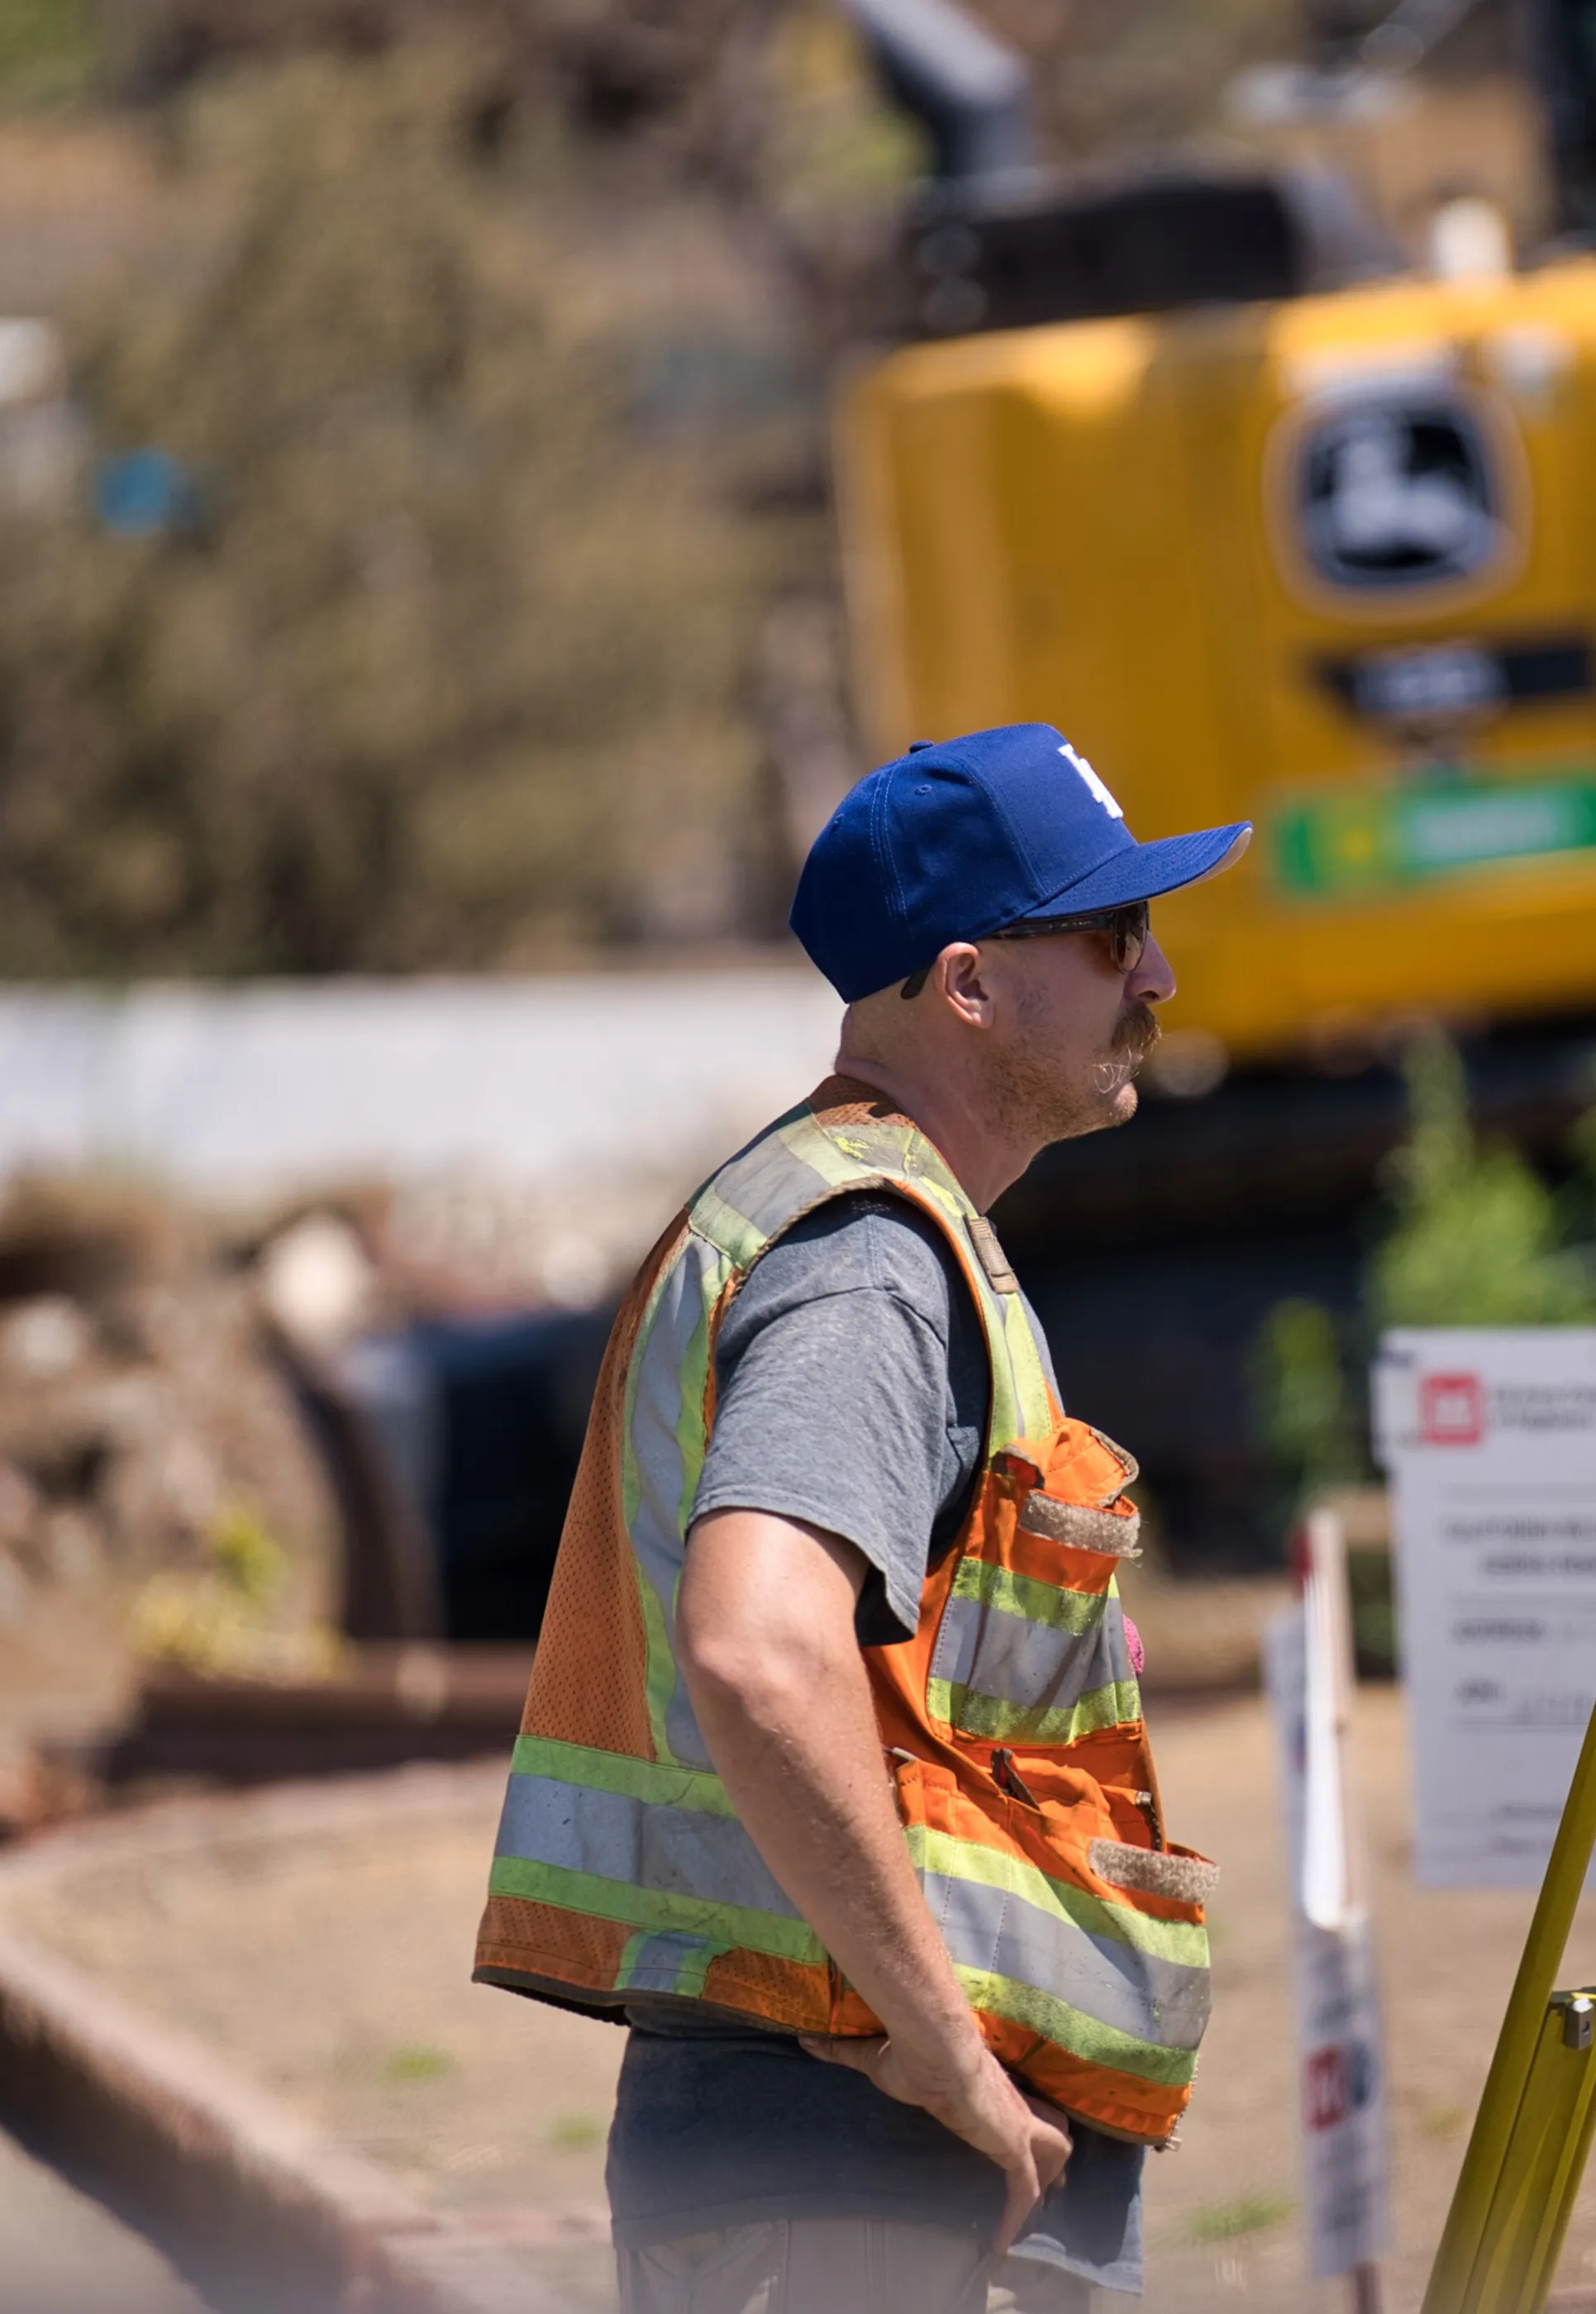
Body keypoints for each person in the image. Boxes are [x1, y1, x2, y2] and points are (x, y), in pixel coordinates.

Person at [470, 724, 1251, 2313]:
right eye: (1111, 936)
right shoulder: (870, 1265)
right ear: (966, 984)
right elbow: (760, 1652)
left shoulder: (877, 1231)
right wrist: (947, 2052)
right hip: (848, 2159)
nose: (1155, 975)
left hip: (835, 2151)